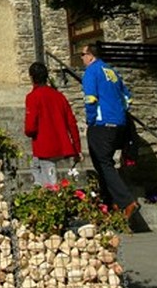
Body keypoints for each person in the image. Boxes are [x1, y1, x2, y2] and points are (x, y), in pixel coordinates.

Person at [81, 42, 139, 219]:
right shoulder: (111, 71)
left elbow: (90, 99)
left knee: (103, 163)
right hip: (119, 124)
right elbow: (127, 98)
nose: (82, 58)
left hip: (102, 124)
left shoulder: (92, 71)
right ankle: (112, 202)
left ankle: (127, 201)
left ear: (91, 56)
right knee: (104, 163)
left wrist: (91, 119)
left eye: (83, 55)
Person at [24, 62, 81, 186]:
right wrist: (77, 147)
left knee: (49, 185)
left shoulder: (33, 97)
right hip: (63, 147)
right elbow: (72, 123)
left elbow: (30, 129)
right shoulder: (59, 96)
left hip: (44, 147)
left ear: (32, 77)